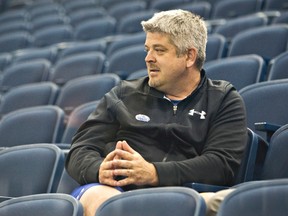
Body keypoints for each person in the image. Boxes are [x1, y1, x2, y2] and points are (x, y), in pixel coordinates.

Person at [65, 9, 247, 216]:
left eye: (159, 50)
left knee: (223, 202)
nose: (148, 59)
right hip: (119, 191)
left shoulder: (223, 99)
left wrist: (153, 173)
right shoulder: (123, 94)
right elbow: (79, 150)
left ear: (189, 56)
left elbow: (221, 164)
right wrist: (99, 169)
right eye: (147, 50)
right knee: (100, 199)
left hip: (188, 192)